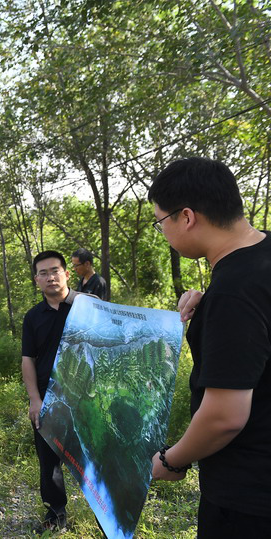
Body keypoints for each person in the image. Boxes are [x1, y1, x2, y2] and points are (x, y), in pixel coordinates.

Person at [148, 157, 271, 537]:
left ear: (186, 217)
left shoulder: (234, 293)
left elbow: (224, 417)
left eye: (160, 221)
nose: (162, 231)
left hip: (248, 499)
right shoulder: (260, 259)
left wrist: (171, 460)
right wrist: (210, 301)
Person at [21, 250, 88, 531]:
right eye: (43, 273)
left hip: (87, 398)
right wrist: (34, 399)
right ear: (37, 280)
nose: (50, 277)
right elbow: (28, 359)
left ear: (67, 274)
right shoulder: (33, 317)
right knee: (48, 461)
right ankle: (55, 515)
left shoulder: (88, 306)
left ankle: (107, 518)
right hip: (48, 398)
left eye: (55, 271)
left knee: (94, 460)